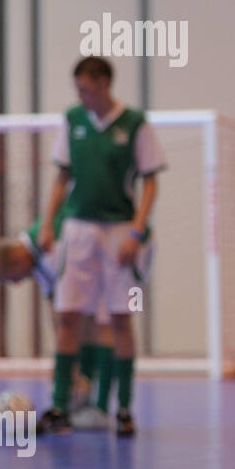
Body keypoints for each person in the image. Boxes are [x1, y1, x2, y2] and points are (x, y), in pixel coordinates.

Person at [36, 56, 162, 436]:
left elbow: (150, 181)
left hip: (118, 229)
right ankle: (60, 404)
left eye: (87, 88)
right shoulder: (72, 120)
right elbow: (61, 177)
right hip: (78, 228)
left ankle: (123, 409)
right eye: (78, 89)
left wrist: (137, 230)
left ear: (105, 84)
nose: (82, 95)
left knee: (121, 317)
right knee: (69, 313)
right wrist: (47, 223)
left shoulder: (134, 124)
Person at [0, 204, 114, 429]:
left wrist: (70, 371)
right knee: (85, 327)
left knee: (101, 326)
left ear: (15, 260)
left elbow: (68, 318)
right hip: (96, 261)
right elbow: (57, 315)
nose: (17, 283)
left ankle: (99, 407)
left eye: (11, 278)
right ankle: (82, 396)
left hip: (107, 256)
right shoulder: (39, 261)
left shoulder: (47, 248)